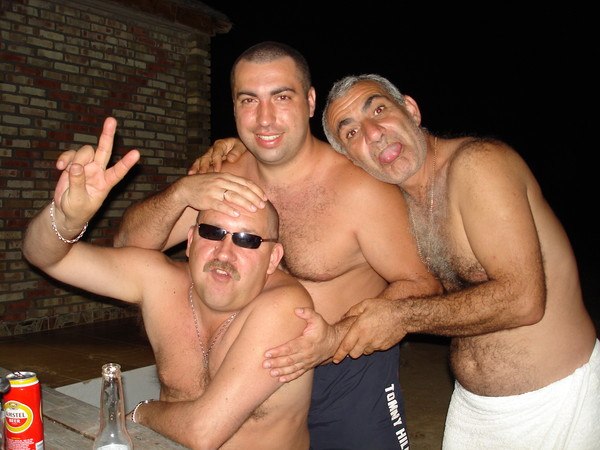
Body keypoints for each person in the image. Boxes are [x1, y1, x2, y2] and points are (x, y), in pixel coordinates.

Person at [109, 41, 441, 449]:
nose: (264, 118)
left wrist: (337, 336)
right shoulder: (225, 176)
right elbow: (129, 246)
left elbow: (421, 284)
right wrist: (180, 193)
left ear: (309, 101)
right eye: (249, 100)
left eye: (281, 97)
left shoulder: (361, 191)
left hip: (346, 381)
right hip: (247, 382)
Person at [312, 74, 599, 448]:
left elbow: (524, 300)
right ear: (351, 159)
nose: (373, 133)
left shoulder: (478, 165)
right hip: (473, 409)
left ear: (411, 110)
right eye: (351, 133)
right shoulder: (399, 208)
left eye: (379, 110)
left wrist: (401, 317)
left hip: (557, 402)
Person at [23, 117, 315, 450]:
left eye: (247, 239)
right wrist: (65, 220)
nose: (225, 252)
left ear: (273, 258)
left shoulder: (285, 307)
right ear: (190, 240)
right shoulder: (160, 281)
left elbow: (203, 432)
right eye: (212, 232)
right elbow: (45, 257)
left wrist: (139, 414)